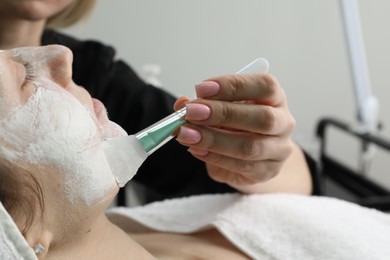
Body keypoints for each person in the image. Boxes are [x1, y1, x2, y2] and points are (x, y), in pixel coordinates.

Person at [2, 46, 390, 260]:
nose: (62, 55)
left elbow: (290, 177)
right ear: (19, 236)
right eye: (23, 80)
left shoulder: (127, 225)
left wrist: (266, 155)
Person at [0, 0, 319, 206]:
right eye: (24, 81)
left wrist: (257, 156)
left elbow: (297, 177)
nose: (62, 60)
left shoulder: (97, 73)